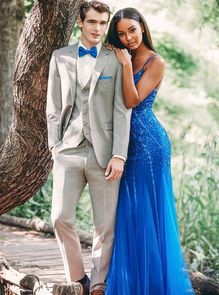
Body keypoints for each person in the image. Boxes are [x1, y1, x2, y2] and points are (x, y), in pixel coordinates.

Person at [104, 7, 195, 295]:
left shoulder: (155, 62)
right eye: (121, 33)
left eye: (132, 29)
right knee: (128, 212)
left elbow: (132, 101)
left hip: (149, 146)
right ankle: (132, 282)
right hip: (123, 144)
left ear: (142, 26)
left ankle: (153, 286)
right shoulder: (118, 56)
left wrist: (127, 66)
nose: (128, 37)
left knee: (146, 211)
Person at [46, 1, 131, 294]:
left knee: (104, 226)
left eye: (103, 23)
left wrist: (119, 154)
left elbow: (122, 110)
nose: (98, 29)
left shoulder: (116, 58)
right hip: (68, 150)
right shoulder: (60, 57)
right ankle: (78, 277)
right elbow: (54, 108)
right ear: (80, 22)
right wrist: (54, 146)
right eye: (93, 22)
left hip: (105, 153)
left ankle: (98, 283)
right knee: (59, 217)